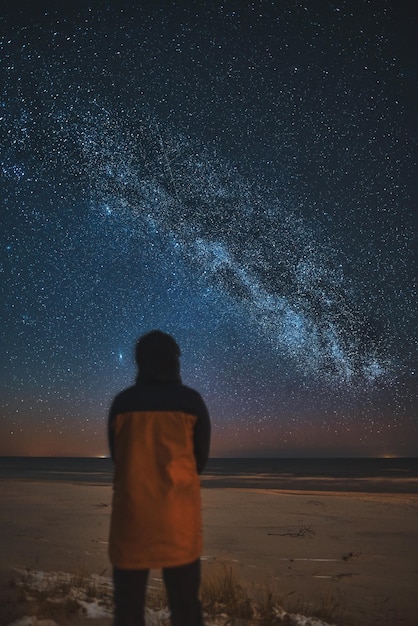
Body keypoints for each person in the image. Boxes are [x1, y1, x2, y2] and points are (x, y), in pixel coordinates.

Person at [108, 330, 211, 626]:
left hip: (131, 520)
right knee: (186, 608)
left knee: (127, 611)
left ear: (140, 361)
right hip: (178, 520)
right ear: (174, 360)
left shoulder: (123, 404)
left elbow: (119, 457)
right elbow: (198, 461)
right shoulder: (190, 402)